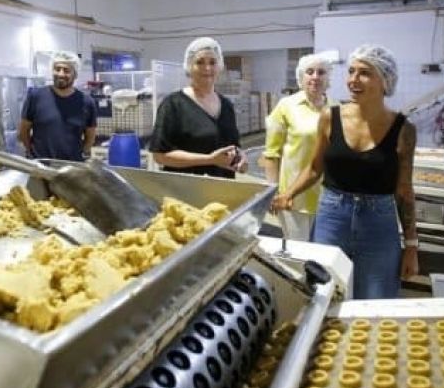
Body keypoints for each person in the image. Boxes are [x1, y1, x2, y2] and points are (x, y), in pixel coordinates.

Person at [272, 44, 419, 300]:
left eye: (364, 73)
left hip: (379, 223)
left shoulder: (403, 129)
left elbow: (404, 189)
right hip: (332, 216)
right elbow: (315, 167)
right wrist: (288, 193)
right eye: (351, 72)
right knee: (325, 296)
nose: (353, 80)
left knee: (376, 299)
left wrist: (412, 246)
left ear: (385, 81)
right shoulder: (331, 117)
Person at [149, 37, 247, 178]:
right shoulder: (173, 105)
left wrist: (240, 158)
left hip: (222, 188)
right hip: (185, 189)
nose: (207, 68)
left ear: (219, 67)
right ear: (189, 67)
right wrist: (210, 160)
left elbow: (233, 146)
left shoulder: (226, 105)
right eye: (200, 62)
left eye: (212, 62)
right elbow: (160, 156)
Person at [263, 53, 336, 240]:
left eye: (321, 72)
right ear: (300, 78)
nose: (315, 77)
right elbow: (271, 153)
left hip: (329, 198)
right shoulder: (286, 106)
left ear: (328, 78)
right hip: (294, 197)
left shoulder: (337, 109)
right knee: (298, 254)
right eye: (309, 72)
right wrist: (273, 191)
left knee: (322, 256)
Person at [18, 51, 97, 162]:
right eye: (57, 69)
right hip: (40, 166)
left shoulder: (87, 102)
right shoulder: (35, 97)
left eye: (66, 70)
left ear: (75, 74)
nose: (61, 74)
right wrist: (32, 152)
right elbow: (23, 132)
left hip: (72, 168)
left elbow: (90, 137)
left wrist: (79, 154)